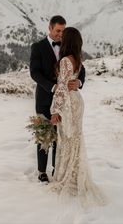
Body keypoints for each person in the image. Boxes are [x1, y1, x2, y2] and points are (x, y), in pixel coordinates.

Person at [49, 27, 106, 207]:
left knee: (67, 139)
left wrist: (55, 111)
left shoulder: (66, 60)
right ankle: (74, 176)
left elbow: (62, 87)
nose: (60, 38)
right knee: (74, 139)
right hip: (76, 102)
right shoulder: (77, 60)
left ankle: (68, 178)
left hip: (68, 104)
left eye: (63, 37)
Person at [30, 16, 85, 183]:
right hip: (45, 98)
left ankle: (57, 168)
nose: (60, 34)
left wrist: (79, 82)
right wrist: (53, 87)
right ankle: (41, 171)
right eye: (58, 31)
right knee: (44, 135)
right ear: (50, 28)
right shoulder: (38, 47)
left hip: (66, 101)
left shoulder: (69, 48)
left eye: (63, 31)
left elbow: (81, 69)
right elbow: (35, 73)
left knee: (60, 136)